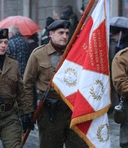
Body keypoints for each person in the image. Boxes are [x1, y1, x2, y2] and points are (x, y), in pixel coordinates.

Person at [23, 20, 88, 148]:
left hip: (72, 109)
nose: (64, 36)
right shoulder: (38, 54)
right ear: (51, 34)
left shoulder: (74, 53)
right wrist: (28, 111)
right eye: (61, 33)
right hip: (49, 112)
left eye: (67, 33)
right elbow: (27, 84)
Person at [0, 28, 34, 148]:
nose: (3, 46)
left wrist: (26, 113)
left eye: (5, 42)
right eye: (0, 42)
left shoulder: (13, 64)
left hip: (9, 116)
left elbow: (21, 91)